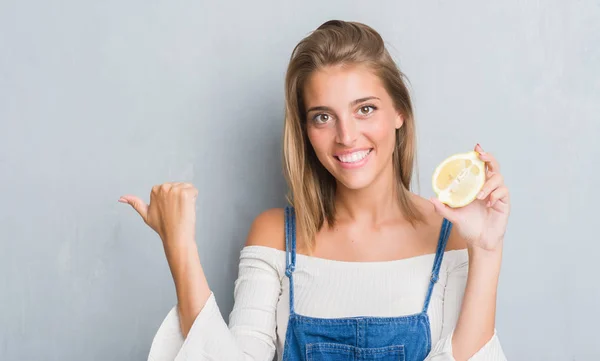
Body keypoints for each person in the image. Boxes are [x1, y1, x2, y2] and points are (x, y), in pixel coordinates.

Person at [119, 20, 509, 361]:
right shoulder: (274, 235)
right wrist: (180, 248)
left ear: (399, 113)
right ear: (305, 131)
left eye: (365, 109)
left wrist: (487, 250)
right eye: (323, 116)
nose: (346, 136)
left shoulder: (451, 235)